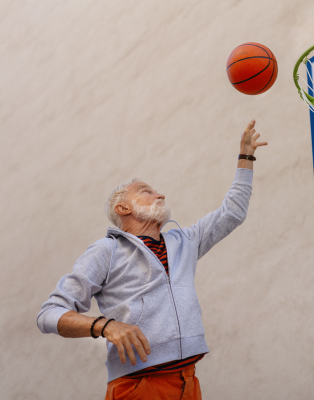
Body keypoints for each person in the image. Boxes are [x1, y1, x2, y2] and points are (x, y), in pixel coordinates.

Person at [36, 121, 267, 400]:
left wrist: (245, 157)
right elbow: (48, 314)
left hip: (188, 381)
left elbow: (233, 212)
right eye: (146, 191)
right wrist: (104, 326)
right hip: (138, 385)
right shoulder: (105, 251)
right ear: (123, 208)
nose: (160, 194)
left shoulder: (185, 241)